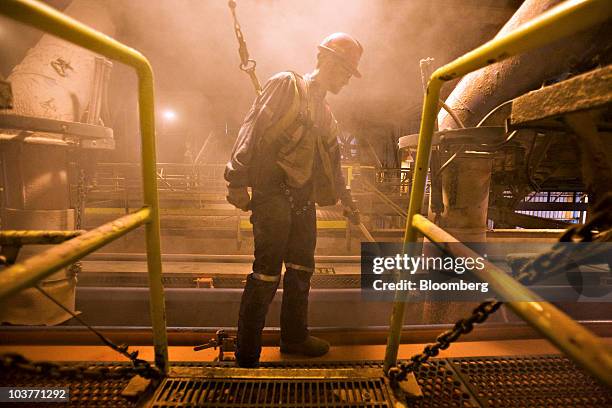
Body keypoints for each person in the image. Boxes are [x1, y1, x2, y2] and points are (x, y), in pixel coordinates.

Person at [224, 32, 363, 368]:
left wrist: (347, 201)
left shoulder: (326, 114)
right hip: (273, 195)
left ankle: (294, 337)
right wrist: (236, 180)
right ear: (328, 61)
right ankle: (247, 351)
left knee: (302, 270)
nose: (347, 79)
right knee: (267, 273)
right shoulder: (287, 84)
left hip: (302, 201)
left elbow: (332, 163)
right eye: (345, 70)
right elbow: (254, 129)